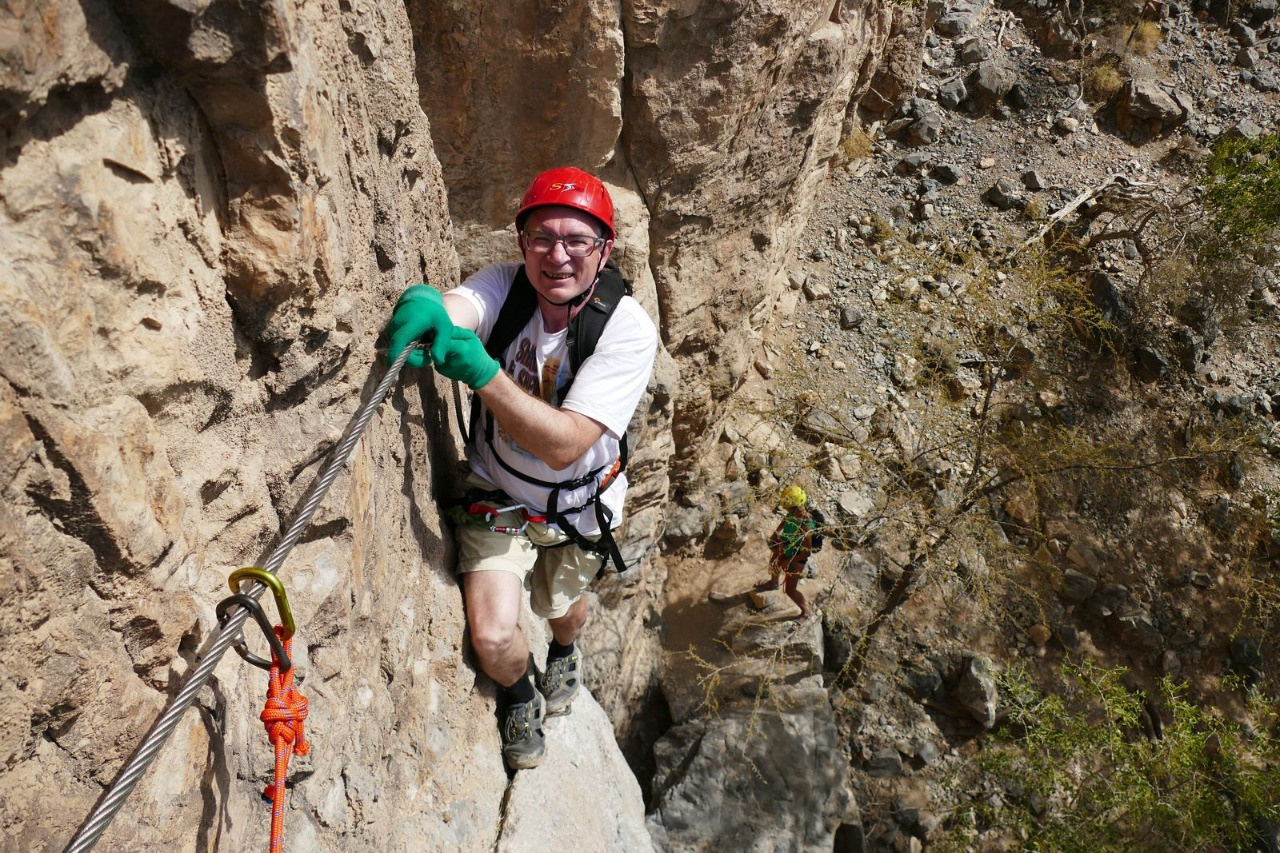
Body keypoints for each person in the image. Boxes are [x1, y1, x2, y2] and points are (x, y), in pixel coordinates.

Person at [385, 167, 658, 770]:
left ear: (603, 251)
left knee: (561, 607)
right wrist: (431, 306)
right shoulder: (506, 288)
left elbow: (566, 445)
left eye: (576, 241)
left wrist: (482, 373)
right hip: (499, 491)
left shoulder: (626, 330)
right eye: (541, 237)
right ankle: (519, 691)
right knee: (493, 636)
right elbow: (463, 307)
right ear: (521, 243)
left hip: (577, 504)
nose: (556, 255)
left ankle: (565, 650)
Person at [755, 485, 817, 622]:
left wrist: (789, 561)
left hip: (796, 559)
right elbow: (786, 518)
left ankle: (806, 612)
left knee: (790, 590)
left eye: (787, 507)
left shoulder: (805, 524)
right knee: (774, 563)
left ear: (794, 506)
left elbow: (807, 552)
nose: (785, 509)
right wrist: (777, 531)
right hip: (786, 546)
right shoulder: (794, 512)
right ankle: (773, 583)